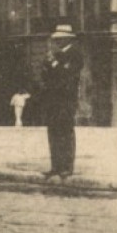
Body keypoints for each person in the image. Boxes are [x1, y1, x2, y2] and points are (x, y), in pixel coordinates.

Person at [38, 24, 83, 180]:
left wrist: (54, 64)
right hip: (53, 100)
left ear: (67, 39)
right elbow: (46, 75)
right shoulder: (57, 55)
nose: (57, 42)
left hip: (66, 100)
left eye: (59, 39)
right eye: (56, 39)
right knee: (53, 132)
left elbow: (67, 75)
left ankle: (67, 167)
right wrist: (50, 64)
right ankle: (56, 166)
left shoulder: (75, 54)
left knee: (65, 132)